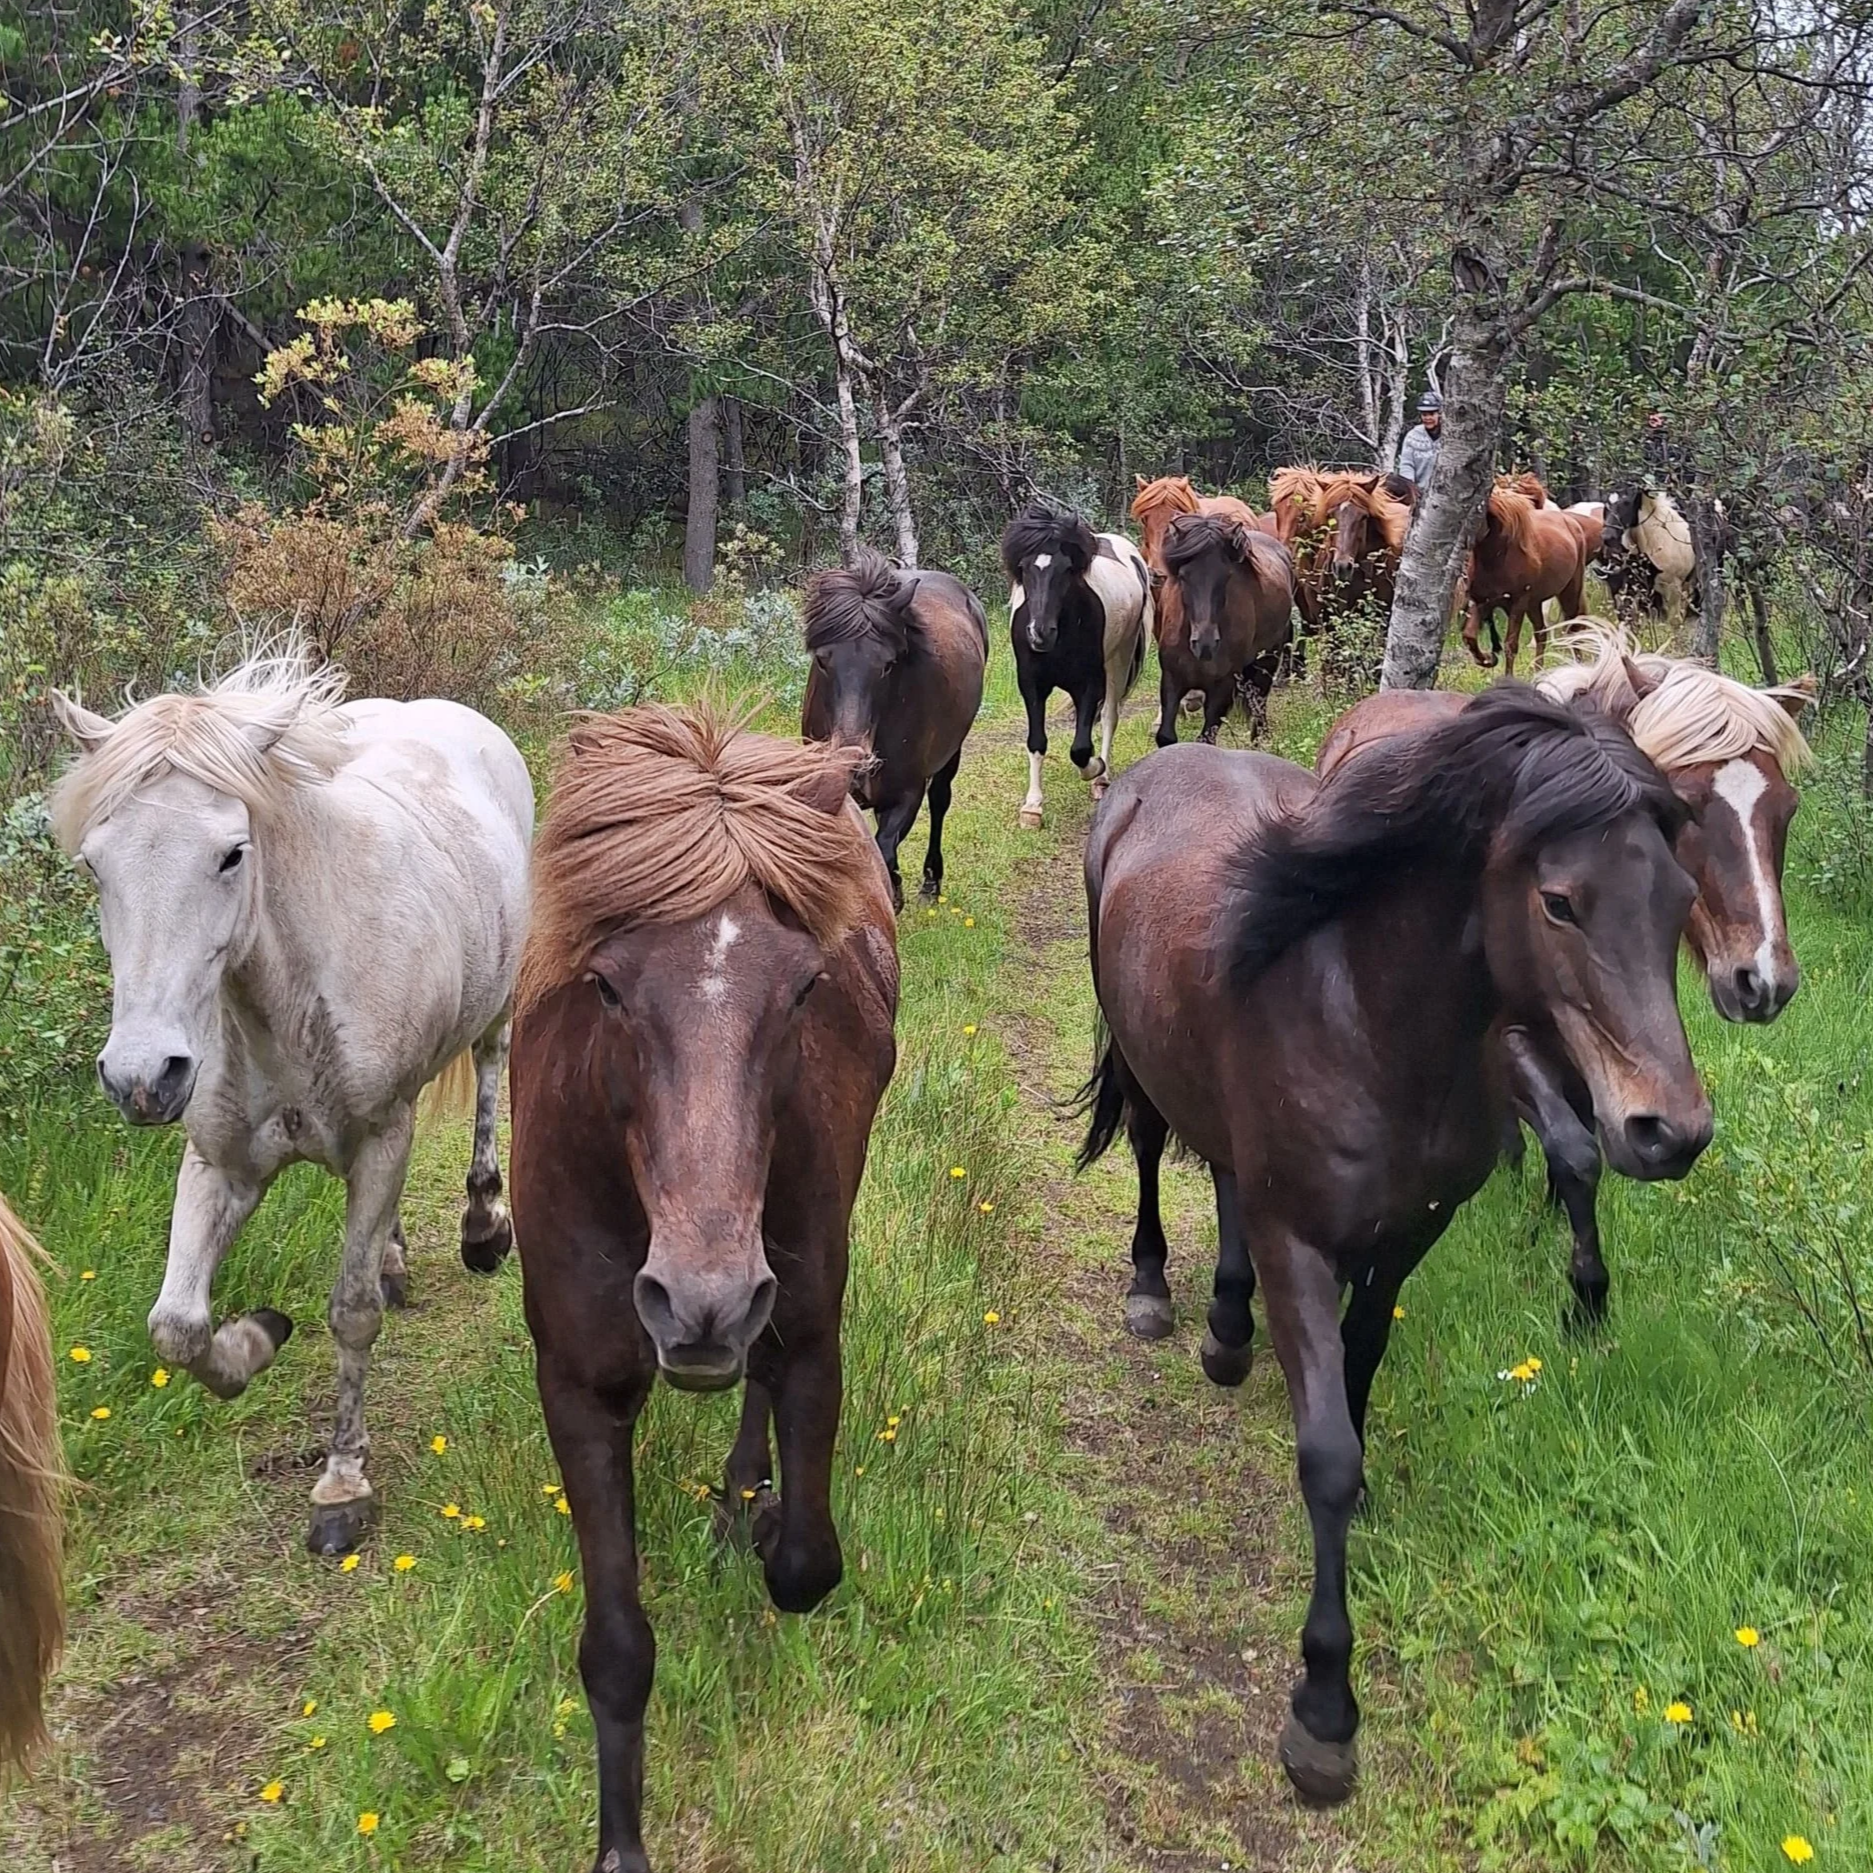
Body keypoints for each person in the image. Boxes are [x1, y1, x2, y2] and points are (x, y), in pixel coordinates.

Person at [1397, 390, 1443, 489]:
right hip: (1419, 492)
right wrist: (1409, 487)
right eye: (1424, 414)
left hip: (1446, 494)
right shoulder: (1413, 436)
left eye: (1431, 414)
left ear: (1440, 414)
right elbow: (1407, 464)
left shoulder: (1451, 437)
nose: (1427, 418)